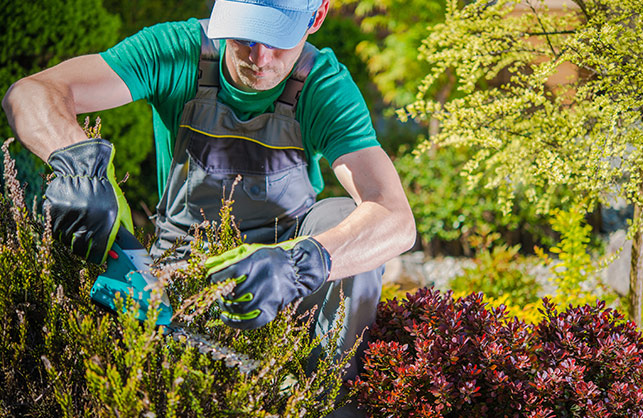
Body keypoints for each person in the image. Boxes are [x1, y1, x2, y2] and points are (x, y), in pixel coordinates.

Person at [3, 0, 416, 415]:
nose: (259, 58)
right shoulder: (177, 51)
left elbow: (395, 218)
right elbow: (30, 93)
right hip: (182, 267)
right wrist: (77, 163)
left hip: (284, 277)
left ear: (317, 17)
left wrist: (298, 264)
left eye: (277, 40)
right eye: (246, 35)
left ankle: (334, 402)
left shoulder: (323, 86)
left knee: (345, 216)